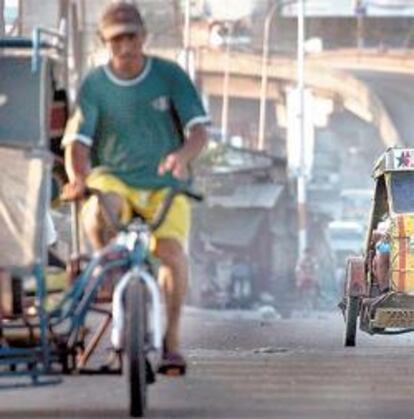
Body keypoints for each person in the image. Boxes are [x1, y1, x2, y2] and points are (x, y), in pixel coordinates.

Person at [62, 1, 209, 376]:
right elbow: (77, 144)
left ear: (143, 37)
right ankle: (110, 268)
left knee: (172, 255)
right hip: (116, 178)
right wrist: (78, 178)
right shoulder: (95, 85)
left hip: (164, 183)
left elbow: (198, 131)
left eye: (131, 37)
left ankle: (172, 344)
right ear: (104, 42)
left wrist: (181, 155)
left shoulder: (170, 75)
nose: (124, 47)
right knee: (97, 207)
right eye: (115, 40)